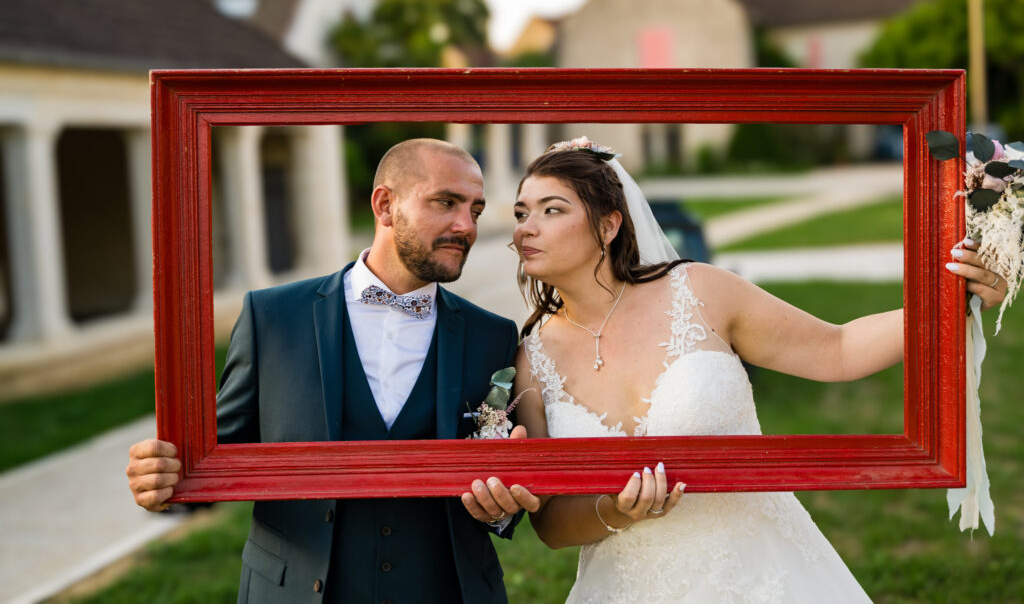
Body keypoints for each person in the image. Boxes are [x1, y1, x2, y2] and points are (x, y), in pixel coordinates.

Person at [471, 138, 1007, 603]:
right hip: (625, 586)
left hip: (765, 572)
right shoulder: (530, 358)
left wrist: (950, 303)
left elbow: (839, 349)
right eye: (520, 214)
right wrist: (618, 509)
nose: (524, 230)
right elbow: (552, 525)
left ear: (609, 224)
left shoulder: (701, 291)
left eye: (551, 210)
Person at [127, 138, 538, 604]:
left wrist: (501, 509)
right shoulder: (273, 318)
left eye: (476, 210)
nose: (465, 226)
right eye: (446, 202)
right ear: (385, 205)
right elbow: (215, 460)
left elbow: (500, 482)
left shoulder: (494, 337)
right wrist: (165, 481)